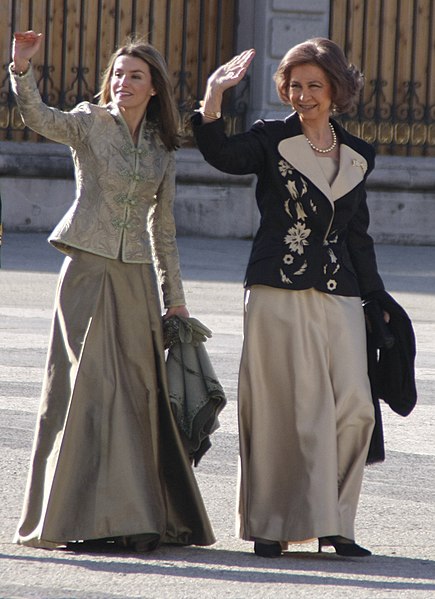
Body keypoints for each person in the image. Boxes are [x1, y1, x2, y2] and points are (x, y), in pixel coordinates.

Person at [10, 31, 215, 551]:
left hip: (137, 280)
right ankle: (75, 519)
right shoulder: (88, 122)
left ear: (154, 88)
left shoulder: (161, 147)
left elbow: (162, 229)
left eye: (135, 76)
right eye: (118, 74)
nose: (123, 82)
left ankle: (134, 516)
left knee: (139, 395)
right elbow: (39, 119)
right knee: (85, 388)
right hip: (86, 269)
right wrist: (21, 69)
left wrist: (177, 300)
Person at [192, 38, 390, 558]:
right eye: (294, 85)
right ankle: (273, 524)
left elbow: (357, 234)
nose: (302, 95)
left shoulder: (359, 154)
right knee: (284, 408)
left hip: (340, 290)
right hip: (276, 290)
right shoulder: (268, 139)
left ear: (336, 90)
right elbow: (221, 154)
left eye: (314, 86)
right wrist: (214, 96)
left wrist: (377, 299)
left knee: (354, 407)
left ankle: (336, 522)